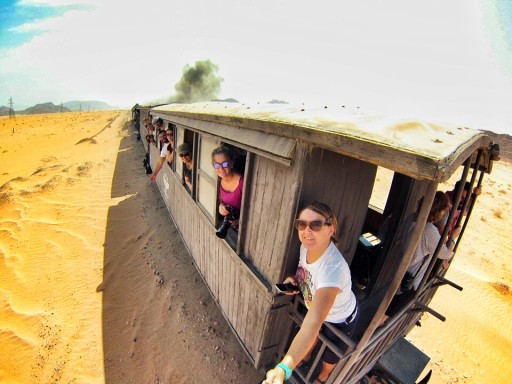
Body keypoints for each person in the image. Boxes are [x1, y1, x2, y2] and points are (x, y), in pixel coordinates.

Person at [263, 202, 359, 384]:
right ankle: (304, 358)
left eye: (316, 225)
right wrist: (294, 280)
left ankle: (324, 376)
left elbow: (312, 324)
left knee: (331, 354)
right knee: (312, 337)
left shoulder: (334, 270)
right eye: (302, 224)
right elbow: (307, 274)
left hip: (340, 318)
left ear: (331, 229)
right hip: (315, 307)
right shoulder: (306, 247)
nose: (307, 231)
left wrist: (284, 367)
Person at [381, 191, 460, 324]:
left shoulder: (413, 217)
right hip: (411, 281)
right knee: (388, 314)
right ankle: (365, 336)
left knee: (388, 307)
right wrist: (452, 238)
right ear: (438, 212)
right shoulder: (429, 229)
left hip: (401, 270)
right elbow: (444, 253)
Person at [212, 146, 244, 233]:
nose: (221, 168)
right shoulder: (218, 180)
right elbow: (221, 200)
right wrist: (221, 206)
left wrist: (240, 220)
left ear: (231, 163)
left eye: (225, 164)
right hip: (229, 226)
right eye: (217, 165)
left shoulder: (243, 182)